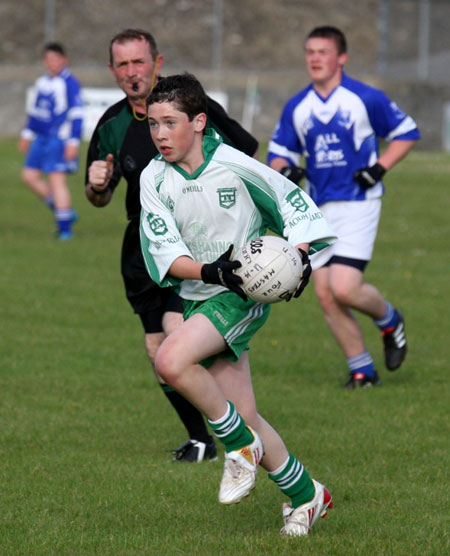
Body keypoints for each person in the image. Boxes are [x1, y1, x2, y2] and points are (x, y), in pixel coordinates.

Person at [139, 73, 337, 536]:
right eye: (153, 124)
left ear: (200, 122)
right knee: (244, 413)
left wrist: (299, 258)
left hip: (241, 296)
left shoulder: (236, 166)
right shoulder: (154, 177)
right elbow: (165, 252)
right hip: (202, 296)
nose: (160, 134)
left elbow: (296, 208)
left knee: (170, 360)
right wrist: (211, 271)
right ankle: (308, 495)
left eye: (170, 123)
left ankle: (237, 446)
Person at [85, 29, 259, 462]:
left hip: (199, 240)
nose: (132, 72)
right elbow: (99, 198)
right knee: (155, 346)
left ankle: (238, 429)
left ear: (156, 63)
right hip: (143, 245)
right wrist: (98, 186)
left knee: (177, 335)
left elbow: (246, 154)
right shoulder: (111, 126)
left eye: (139, 62)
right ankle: (202, 438)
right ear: (113, 71)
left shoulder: (192, 108)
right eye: (123, 65)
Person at [268, 26, 420, 388]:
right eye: (310, 52)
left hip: (358, 203)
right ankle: (362, 370)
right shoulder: (298, 106)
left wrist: (380, 167)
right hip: (316, 208)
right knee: (324, 294)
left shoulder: (364, 97)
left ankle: (389, 319)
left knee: (345, 288)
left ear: (342, 58)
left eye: (323, 51)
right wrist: (286, 169)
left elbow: (406, 132)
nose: (315, 58)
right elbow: (277, 154)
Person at [18, 42, 83, 240]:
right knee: (29, 176)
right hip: (41, 138)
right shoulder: (42, 83)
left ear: (64, 60)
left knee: (56, 180)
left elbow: (77, 114)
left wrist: (73, 141)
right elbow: (36, 113)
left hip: (60, 139)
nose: (51, 63)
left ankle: (65, 230)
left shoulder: (70, 83)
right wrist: (27, 134)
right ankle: (64, 212)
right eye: (48, 59)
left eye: (55, 59)